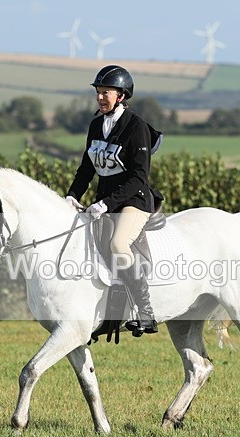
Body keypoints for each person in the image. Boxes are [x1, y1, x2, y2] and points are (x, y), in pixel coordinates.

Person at [65, 65, 163, 337]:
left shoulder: (137, 127)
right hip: (105, 201)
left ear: (121, 95)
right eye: (98, 92)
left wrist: (106, 204)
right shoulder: (96, 125)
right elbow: (86, 168)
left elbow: (139, 177)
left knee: (118, 244)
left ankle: (145, 312)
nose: (100, 98)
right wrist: (72, 195)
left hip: (134, 200)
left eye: (105, 93)